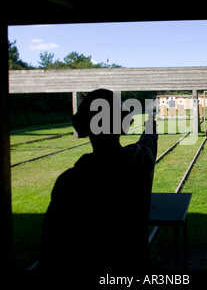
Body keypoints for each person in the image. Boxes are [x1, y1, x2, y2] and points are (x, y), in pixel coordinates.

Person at [40, 89, 158, 272]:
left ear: (83, 127)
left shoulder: (68, 182)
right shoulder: (141, 161)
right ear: (123, 123)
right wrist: (151, 125)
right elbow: (147, 142)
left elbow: (50, 249)